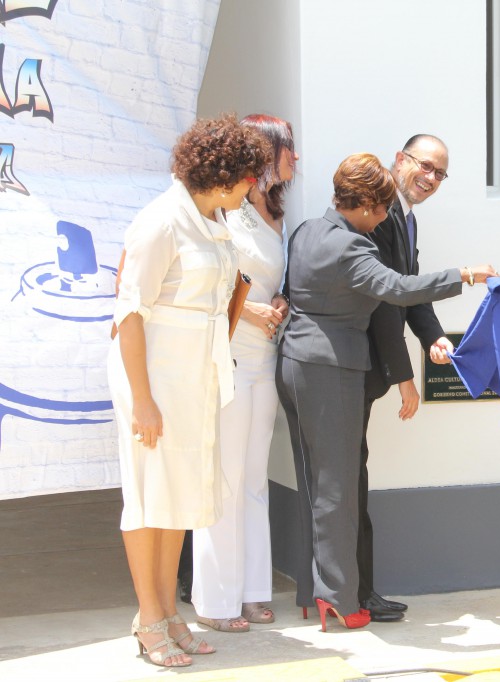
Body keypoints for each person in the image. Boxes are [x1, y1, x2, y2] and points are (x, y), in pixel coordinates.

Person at [276, 153, 497, 631]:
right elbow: (398, 288)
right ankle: (338, 597)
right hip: (331, 370)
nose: (383, 219)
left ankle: (315, 590)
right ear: (366, 206)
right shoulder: (354, 247)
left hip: (293, 362)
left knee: (313, 484)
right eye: (381, 209)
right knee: (337, 489)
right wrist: (463, 275)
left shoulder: (308, 230)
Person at [108, 114, 271, 666]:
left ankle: (169, 614)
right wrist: (143, 399)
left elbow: (214, 301)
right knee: (148, 498)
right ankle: (148, 617)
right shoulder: (160, 222)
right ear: (226, 176)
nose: (255, 188)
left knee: (178, 499)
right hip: (154, 381)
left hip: (196, 380)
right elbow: (128, 313)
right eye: (251, 177)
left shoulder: (212, 220)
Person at [191, 115, 297, 633]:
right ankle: (215, 599)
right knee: (225, 477)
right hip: (230, 350)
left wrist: (277, 300)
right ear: (266, 151)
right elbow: (216, 276)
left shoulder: (273, 210)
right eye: (288, 149)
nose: (295, 160)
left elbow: (273, 277)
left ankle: (254, 591)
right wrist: (251, 310)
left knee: (255, 478)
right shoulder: (225, 208)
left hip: (266, 355)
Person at [357, 135, 452, 623]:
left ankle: (354, 591)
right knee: (348, 484)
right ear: (399, 160)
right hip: (351, 366)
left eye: (440, 173)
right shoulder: (378, 214)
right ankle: (355, 593)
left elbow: (412, 293)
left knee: (354, 478)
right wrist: (404, 375)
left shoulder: (407, 220)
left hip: (368, 370)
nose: (431, 178)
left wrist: (432, 337)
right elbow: (384, 300)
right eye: (425, 166)